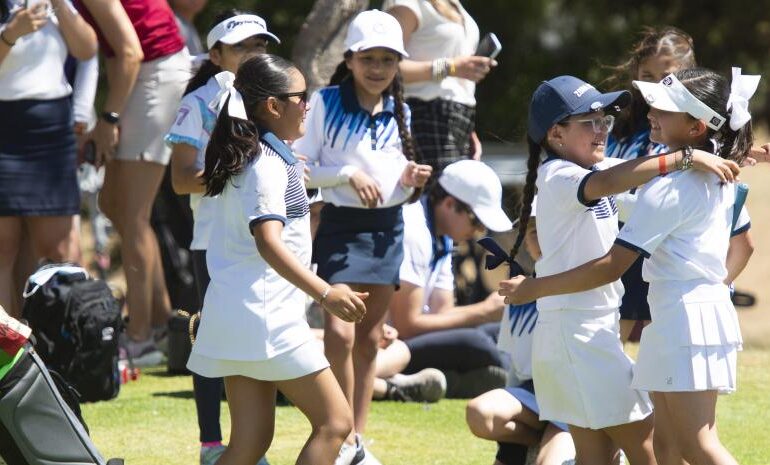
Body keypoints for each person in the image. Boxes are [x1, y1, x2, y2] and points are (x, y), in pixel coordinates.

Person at [501, 67, 760, 465]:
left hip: (593, 329)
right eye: (589, 122)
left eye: (603, 119)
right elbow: (623, 181)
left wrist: (724, 151)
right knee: (648, 448)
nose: (603, 128)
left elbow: (635, 175)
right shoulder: (561, 175)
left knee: (610, 453)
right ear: (555, 134)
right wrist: (691, 154)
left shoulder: (602, 171)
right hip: (578, 333)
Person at [187, 55, 368, 465]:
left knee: (249, 444)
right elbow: (268, 242)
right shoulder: (266, 165)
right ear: (273, 106)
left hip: (240, 314)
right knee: (336, 424)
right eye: (301, 97)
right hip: (266, 318)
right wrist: (326, 294)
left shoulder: (258, 157)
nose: (308, 105)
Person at [292, 10, 432, 465]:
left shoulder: (401, 109)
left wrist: (412, 178)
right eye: (368, 57)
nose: (378, 68)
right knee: (339, 332)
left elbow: (397, 184)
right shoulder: (324, 102)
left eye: (388, 59)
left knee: (370, 340)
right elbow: (301, 165)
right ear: (350, 59)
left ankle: (356, 441)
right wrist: (346, 175)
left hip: (387, 232)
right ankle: (338, 433)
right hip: (340, 229)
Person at [165, 10, 279, 465]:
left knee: (254, 339)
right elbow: (180, 179)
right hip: (214, 239)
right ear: (216, 55)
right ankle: (213, 445)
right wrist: (239, 173)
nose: (255, 55)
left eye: (260, 46)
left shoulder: (270, 98)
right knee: (212, 342)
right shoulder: (199, 103)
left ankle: (246, 444)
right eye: (243, 48)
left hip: (262, 232)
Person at [75, 0, 192, 365]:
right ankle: (162, 322)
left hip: (155, 72)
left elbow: (129, 51)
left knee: (132, 212)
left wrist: (109, 118)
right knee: (113, 204)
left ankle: (140, 339)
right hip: (136, 72)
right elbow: (117, 53)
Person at [0, 0, 97, 316]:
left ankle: (63, 352)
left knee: (59, 251)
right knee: (3, 250)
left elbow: (86, 49)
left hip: (51, 129)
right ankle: (8, 357)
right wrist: (10, 35)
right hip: (4, 127)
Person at [388, 159, 511, 398]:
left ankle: (448, 380)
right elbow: (407, 326)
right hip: (392, 342)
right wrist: (484, 311)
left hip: (413, 339)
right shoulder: (414, 231)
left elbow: (441, 314)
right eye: (476, 221)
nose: (479, 231)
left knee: (495, 334)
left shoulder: (442, 235)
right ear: (449, 204)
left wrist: (490, 311)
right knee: (478, 342)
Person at [466, 219, 575, 465]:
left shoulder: (583, 284)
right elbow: (516, 367)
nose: (541, 239)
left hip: (574, 399)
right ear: (525, 240)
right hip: (533, 393)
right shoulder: (518, 292)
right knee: (478, 413)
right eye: (534, 233)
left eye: (550, 228)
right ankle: (531, 445)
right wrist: (508, 447)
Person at [385, 0, 497, 178]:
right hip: (424, 116)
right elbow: (386, 68)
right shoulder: (407, 4)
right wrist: (450, 67)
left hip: (460, 119)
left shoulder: (455, 5)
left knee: (458, 197)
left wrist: (468, 131)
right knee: (442, 200)